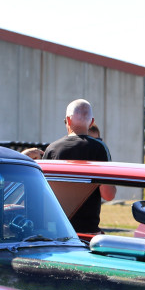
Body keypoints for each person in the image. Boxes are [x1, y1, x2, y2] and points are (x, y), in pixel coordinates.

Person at [44, 99, 110, 233]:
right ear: (91, 122)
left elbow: (44, 193)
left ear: (68, 120)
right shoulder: (100, 148)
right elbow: (108, 194)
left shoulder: (52, 148)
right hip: (88, 230)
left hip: (57, 229)